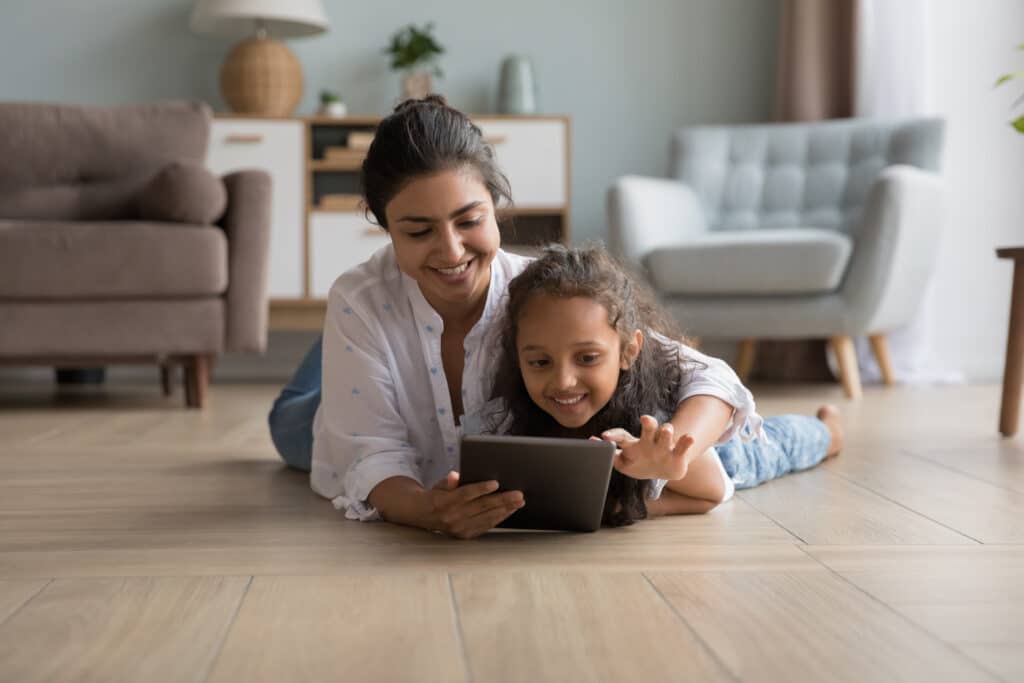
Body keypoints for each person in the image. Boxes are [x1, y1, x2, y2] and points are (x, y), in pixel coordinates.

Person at [268, 95, 823, 539]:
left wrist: (675, 448)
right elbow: (368, 453)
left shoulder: (537, 295)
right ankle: (330, 359)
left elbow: (707, 375)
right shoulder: (361, 298)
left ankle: (340, 361)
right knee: (295, 429)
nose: (451, 250)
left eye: (469, 221)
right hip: (358, 399)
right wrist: (425, 511)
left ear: (496, 204)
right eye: (417, 231)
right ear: (384, 228)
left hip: (390, 375)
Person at [484, 244, 842, 527]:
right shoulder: (512, 411)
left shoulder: (651, 420)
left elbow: (710, 495)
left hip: (723, 456)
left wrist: (633, 506)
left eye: (588, 358)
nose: (562, 381)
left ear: (628, 351)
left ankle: (828, 432)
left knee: (781, 444)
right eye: (540, 362)